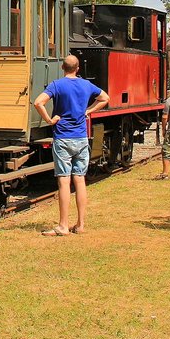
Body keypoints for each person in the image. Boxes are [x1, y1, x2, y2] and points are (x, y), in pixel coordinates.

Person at [32, 55, 109, 236]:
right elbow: (105, 98)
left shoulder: (57, 85)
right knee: (80, 180)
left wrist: (50, 120)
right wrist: (88, 111)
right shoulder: (86, 85)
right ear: (78, 68)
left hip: (63, 138)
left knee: (64, 181)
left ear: (62, 68)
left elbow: (38, 102)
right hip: (81, 137)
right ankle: (81, 224)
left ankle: (63, 225)